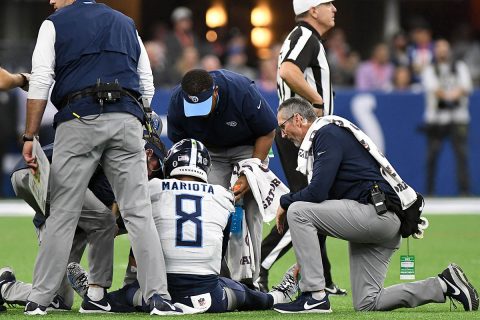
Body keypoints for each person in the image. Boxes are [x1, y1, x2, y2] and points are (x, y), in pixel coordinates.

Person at [22, 0, 180, 315]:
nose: (51, 1)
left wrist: (30, 136)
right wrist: (136, 121)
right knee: (138, 213)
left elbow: (40, 81)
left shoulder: (54, 24)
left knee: (63, 213)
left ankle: (39, 299)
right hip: (127, 118)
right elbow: (146, 84)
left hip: (78, 116)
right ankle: (158, 297)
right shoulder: (126, 23)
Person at [272, 97, 479, 313]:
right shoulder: (327, 133)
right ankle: (444, 284)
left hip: (376, 215)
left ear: (297, 119)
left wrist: (285, 201)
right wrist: (306, 261)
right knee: (367, 302)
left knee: (297, 210)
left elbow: (316, 193)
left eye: (282, 126)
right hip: (381, 218)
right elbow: (322, 207)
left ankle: (313, 296)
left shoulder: (326, 133)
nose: (282, 134)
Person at [68, 139, 299, 313]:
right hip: (209, 297)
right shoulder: (222, 195)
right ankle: (277, 297)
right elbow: (221, 249)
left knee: (125, 294)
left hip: (158, 292)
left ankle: (95, 296)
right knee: (245, 294)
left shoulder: (154, 187)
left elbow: (134, 230)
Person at [260, 0, 345, 295]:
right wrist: (318, 102)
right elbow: (287, 70)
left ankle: (323, 277)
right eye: (328, 4)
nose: (334, 8)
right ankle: (260, 264)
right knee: (307, 205)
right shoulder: (306, 35)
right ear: (313, 10)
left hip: (298, 132)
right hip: (301, 133)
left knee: (314, 204)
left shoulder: (305, 36)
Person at [166, 68, 277, 286]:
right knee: (209, 208)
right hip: (210, 153)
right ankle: (214, 275)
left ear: (215, 92)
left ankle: (253, 279)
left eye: (204, 105)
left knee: (252, 209)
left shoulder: (241, 91)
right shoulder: (177, 101)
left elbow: (267, 131)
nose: (201, 112)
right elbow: (181, 145)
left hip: (247, 147)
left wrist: (250, 171)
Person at [1, 144, 119, 314]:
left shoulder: (102, 140)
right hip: (40, 170)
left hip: (30, 172)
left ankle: (6, 288)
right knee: (104, 220)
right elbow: (107, 213)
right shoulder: (115, 156)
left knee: (61, 299)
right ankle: (95, 294)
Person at [421, 39, 473, 196]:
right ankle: (429, 191)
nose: (442, 51)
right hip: (436, 119)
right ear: (435, 51)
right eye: (439, 48)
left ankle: (464, 191)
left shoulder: (459, 67)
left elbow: (466, 87)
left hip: (458, 117)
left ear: (449, 50)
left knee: (462, 155)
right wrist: (451, 96)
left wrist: (450, 96)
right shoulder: (429, 69)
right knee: (432, 155)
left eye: (445, 48)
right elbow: (434, 89)